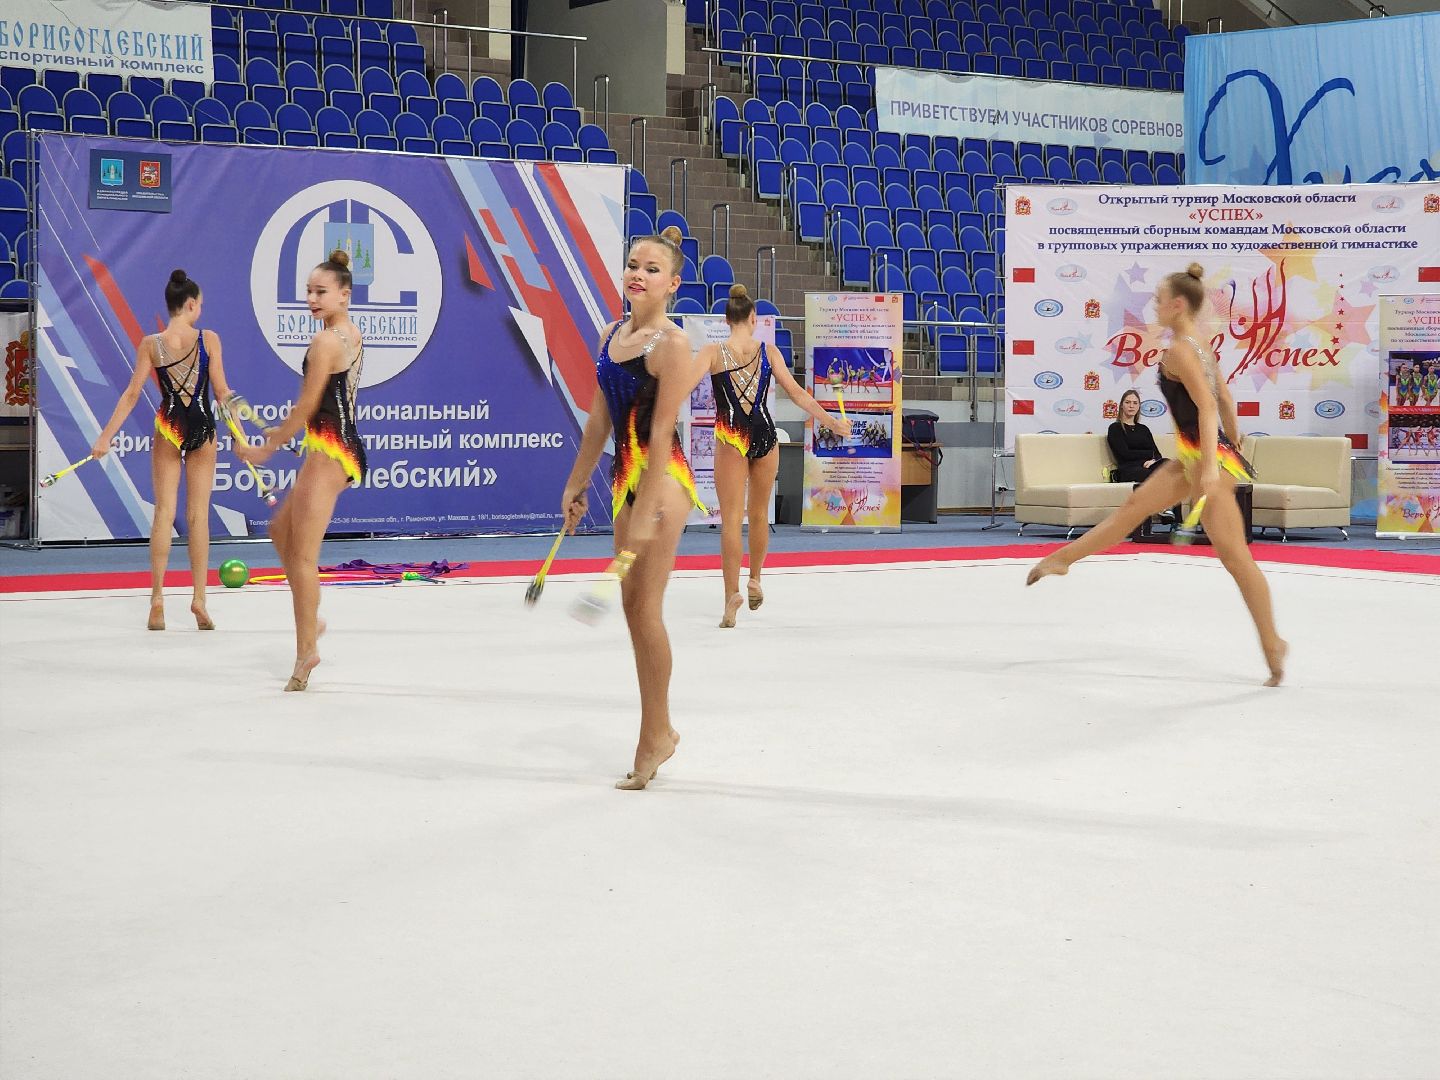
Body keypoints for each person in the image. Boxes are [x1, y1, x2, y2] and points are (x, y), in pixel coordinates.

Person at [1026, 263, 1287, 687]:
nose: (1154, 304)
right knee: (1133, 508)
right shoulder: (1200, 344)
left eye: (1158, 299)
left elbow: (1207, 406)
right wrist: (1230, 448)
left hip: (1202, 460)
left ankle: (1273, 643)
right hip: (1197, 455)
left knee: (1235, 557)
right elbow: (1225, 400)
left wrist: (1210, 468)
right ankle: (1062, 559)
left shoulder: (1181, 350)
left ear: (1177, 304)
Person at [559, 226, 710, 789]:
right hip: (626, 479)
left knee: (645, 608)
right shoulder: (608, 334)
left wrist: (647, 513)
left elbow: (665, 430)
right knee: (628, 605)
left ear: (672, 284)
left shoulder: (671, 344)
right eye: (632, 264)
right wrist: (576, 486)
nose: (637, 274)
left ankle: (654, 737)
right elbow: (599, 420)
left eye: (651, 269)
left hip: (662, 483)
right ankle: (662, 730)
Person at [236, 250, 365, 692]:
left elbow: (309, 404)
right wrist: (290, 430)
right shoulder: (348, 332)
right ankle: (311, 619)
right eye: (308, 291)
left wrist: (265, 447)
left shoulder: (326, 341)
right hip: (331, 445)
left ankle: (305, 650)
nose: (311, 299)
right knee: (279, 531)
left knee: (304, 558)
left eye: (321, 292)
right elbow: (324, 403)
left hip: (330, 452)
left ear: (344, 295)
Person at [92, 269, 244, 631]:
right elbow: (222, 393)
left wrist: (105, 436)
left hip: (169, 426)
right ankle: (199, 599)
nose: (201, 310)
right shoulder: (209, 339)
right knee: (198, 516)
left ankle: (157, 598)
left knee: (164, 512)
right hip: (203, 428)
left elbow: (131, 394)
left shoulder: (152, 343)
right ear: (190, 304)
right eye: (200, 305)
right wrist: (240, 436)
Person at [704, 282, 852, 627]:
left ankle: (731, 598)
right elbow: (799, 395)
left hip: (732, 437)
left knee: (730, 520)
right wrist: (832, 422)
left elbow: (681, 384)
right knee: (758, 514)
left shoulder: (712, 353)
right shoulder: (769, 352)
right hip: (766, 435)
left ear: (727, 319)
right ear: (753, 318)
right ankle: (755, 578)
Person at [1107, 388, 1167, 485]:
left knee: (1168, 465)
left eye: (1135, 403)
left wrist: (1153, 461)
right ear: (1122, 405)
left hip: (1148, 466)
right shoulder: (1115, 428)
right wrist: (1148, 456)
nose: (1131, 406)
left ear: (1139, 406)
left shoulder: (1144, 429)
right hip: (1128, 469)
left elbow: (1156, 454)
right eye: (1128, 402)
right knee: (1151, 475)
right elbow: (1125, 454)